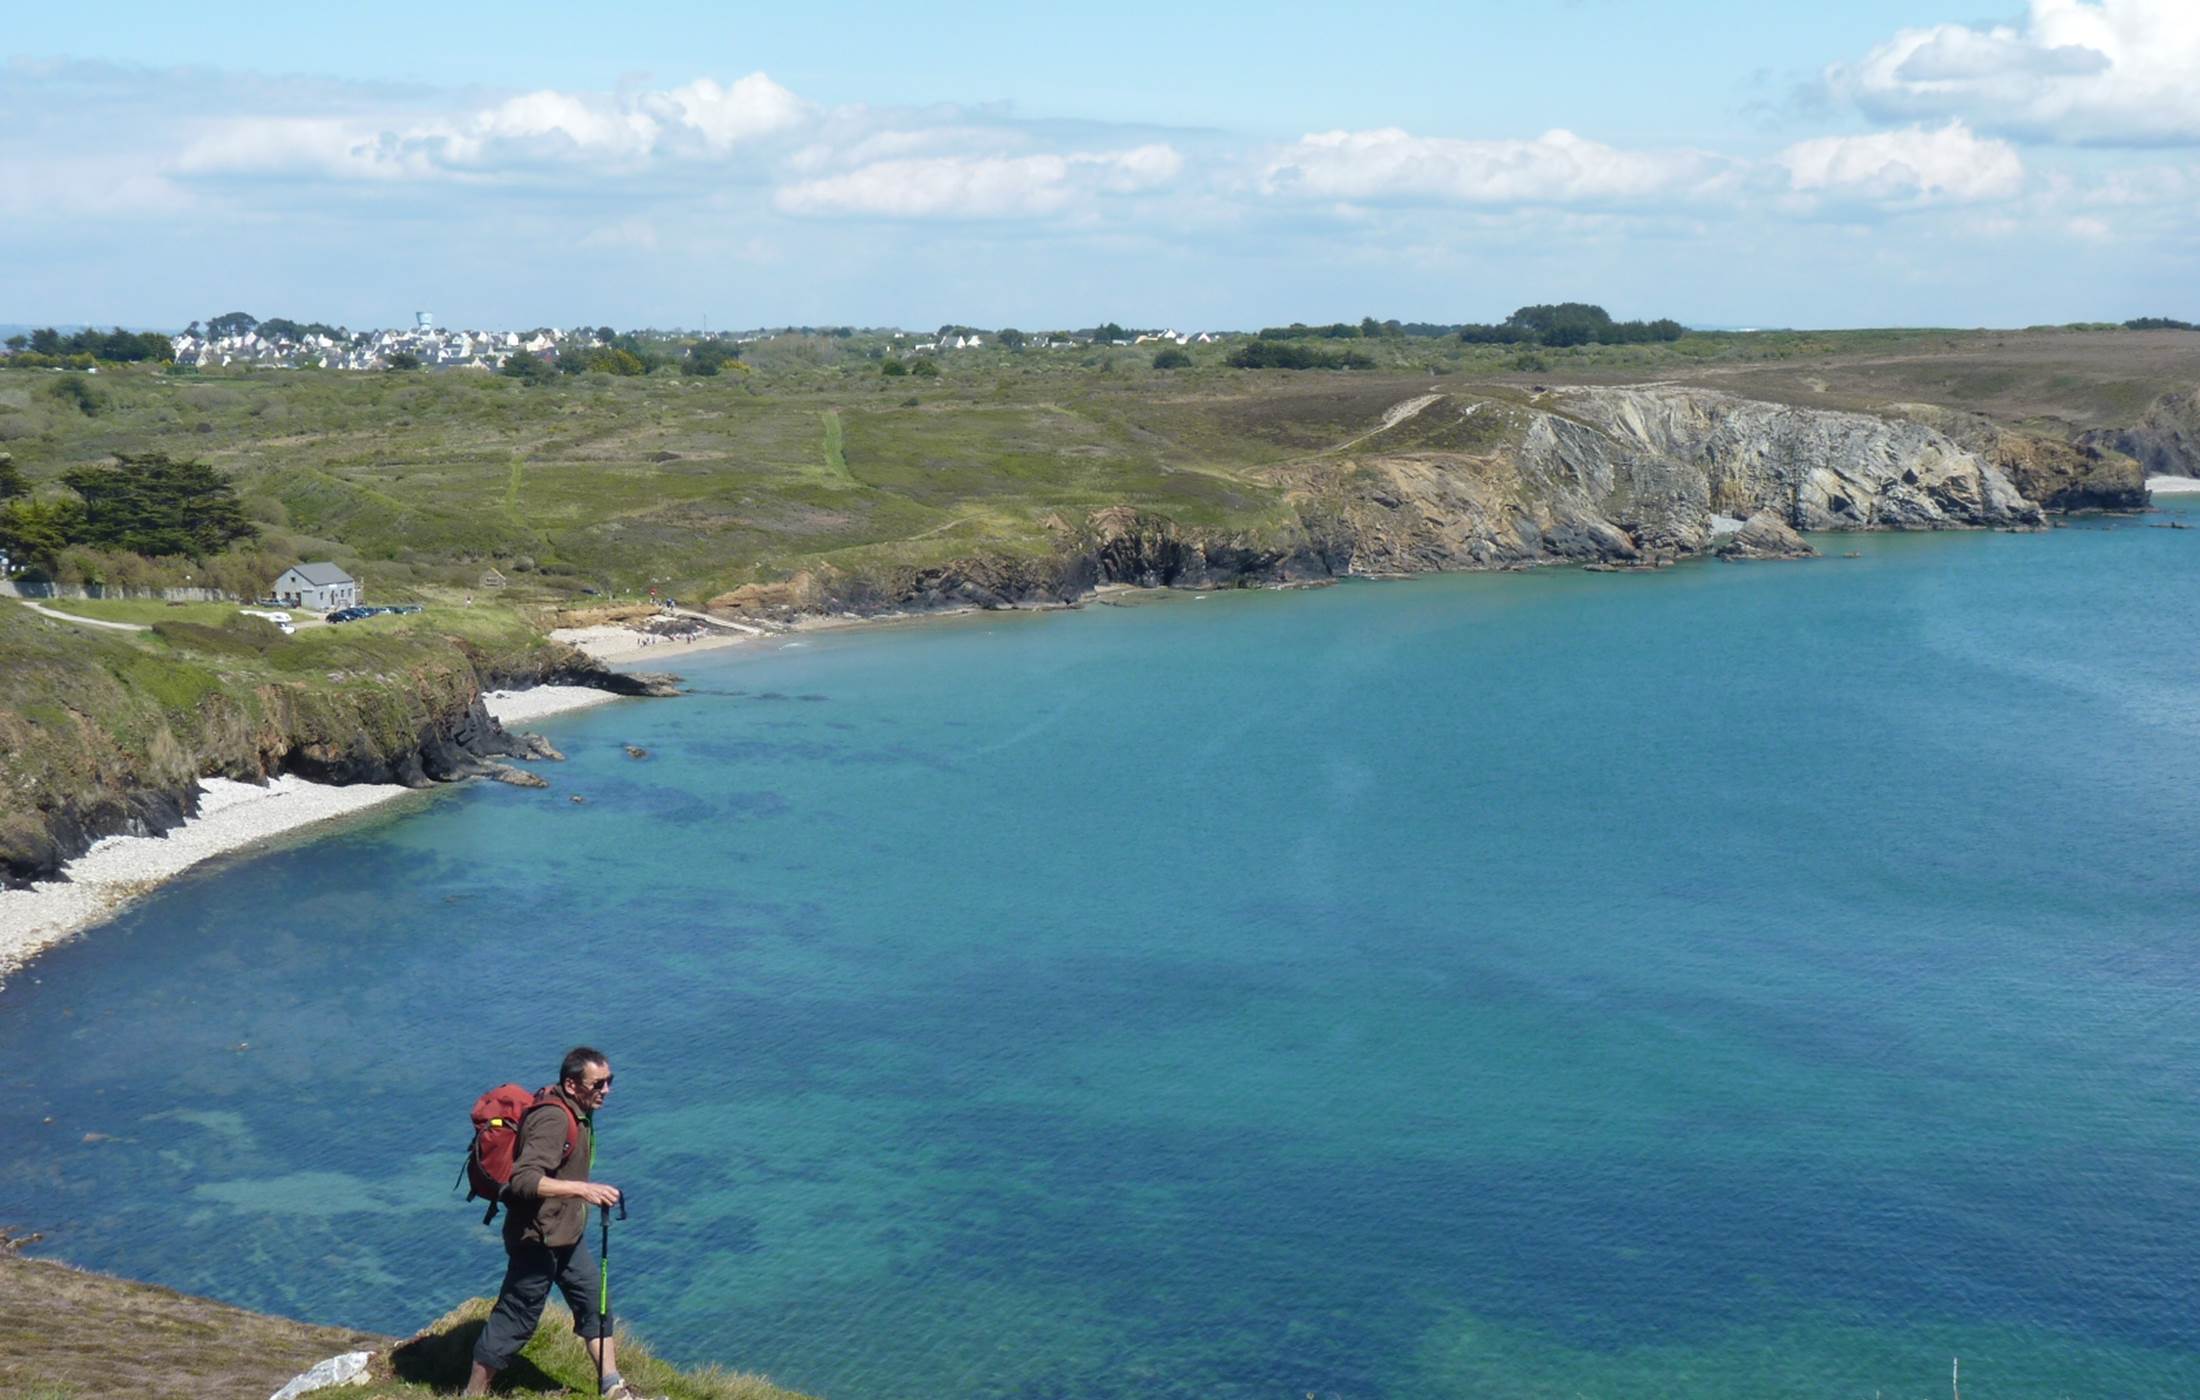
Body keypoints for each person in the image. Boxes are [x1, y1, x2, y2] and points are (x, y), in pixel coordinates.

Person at [464, 1047, 645, 1399]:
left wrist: (580, 1196)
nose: (606, 1090)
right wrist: (582, 1190)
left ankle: (613, 1388)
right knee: (516, 1318)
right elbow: (524, 1180)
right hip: (537, 1238)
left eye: (610, 1081)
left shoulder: (579, 1112)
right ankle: (472, 1393)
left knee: (596, 1304)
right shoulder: (554, 1119)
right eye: (599, 1083)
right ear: (572, 1085)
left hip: (567, 1236)